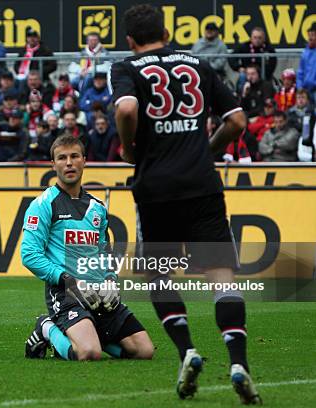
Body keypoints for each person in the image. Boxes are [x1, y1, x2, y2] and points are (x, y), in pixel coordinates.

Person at [111, 4, 260, 403]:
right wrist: (207, 151)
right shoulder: (197, 64)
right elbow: (237, 121)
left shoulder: (127, 67)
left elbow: (126, 108)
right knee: (221, 276)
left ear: (130, 40)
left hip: (156, 187)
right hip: (202, 184)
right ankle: (238, 363)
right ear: (167, 32)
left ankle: (188, 352)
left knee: (158, 276)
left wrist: (129, 148)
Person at [22, 135, 154, 361]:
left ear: (84, 160)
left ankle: (91, 333)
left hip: (100, 294)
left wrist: (111, 280)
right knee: (88, 352)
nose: (69, 163)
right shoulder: (43, 204)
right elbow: (30, 255)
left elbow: (105, 253)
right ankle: (46, 327)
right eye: (62, 158)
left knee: (144, 351)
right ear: (53, 165)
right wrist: (69, 280)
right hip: (66, 293)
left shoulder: (97, 207)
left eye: (74, 156)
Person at [230, 27, 277, 91]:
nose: (257, 40)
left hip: (263, 74)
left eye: (259, 38)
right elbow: (231, 57)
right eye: (255, 37)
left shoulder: (269, 48)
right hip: (247, 74)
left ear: (264, 39)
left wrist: (261, 73)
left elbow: (272, 64)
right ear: (251, 38)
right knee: (242, 76)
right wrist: (238, 67)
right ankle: (240, 96)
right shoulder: (244, 46)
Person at [297, 23, 316, 102]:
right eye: (309, 35)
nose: (310, 38)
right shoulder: (305, 52)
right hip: (305, 90)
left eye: (313, 35)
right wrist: (299, 86)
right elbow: (300, 72)